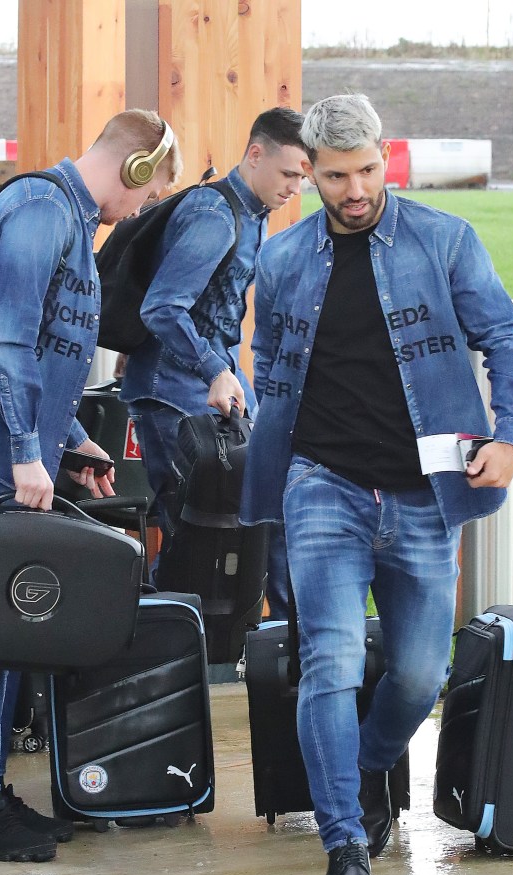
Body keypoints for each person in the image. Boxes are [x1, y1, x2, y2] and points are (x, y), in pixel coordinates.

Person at [240, 94, 513, 875]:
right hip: (321, 486)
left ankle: (369, 762)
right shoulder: (285, 258)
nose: (356, 187)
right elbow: (271, 363)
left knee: (419, 672)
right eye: (336, 176)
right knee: (329, 663)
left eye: (367, 168)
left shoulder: (445, 241)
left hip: (422, 494)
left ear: (384, 156)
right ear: (312, 174)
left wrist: (510, 433)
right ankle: (344, 844)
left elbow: (505, 337)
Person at [0, 109, 182, 863]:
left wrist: (68, 442)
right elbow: (6, 339)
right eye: (147, 194)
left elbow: (46, 346)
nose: (138, 211)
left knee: (11, 626)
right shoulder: (41, 210)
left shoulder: (70, 220)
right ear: (135, 169)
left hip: (18, 451)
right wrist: (23, 452)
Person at [120, 106, 308, 618]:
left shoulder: (254, 215)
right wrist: (214, 369)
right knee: (196, 531)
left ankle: (292, 639)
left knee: (264, 507)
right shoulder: (215, 214)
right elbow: (162, 307)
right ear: (255, 154)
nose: (296, 187)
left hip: (208, 379)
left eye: (304, 177)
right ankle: (174, 656)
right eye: (290, 172)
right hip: (172, 388)